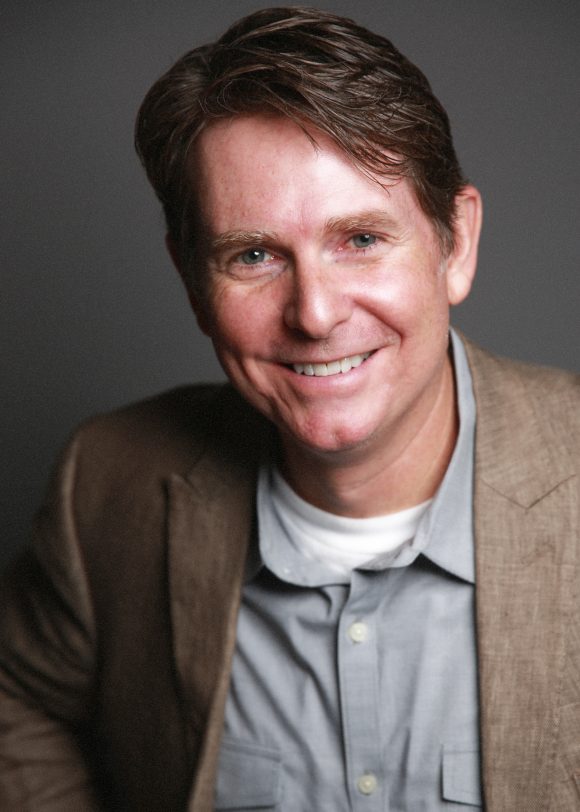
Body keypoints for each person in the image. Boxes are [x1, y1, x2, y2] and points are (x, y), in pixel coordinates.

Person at [1, 6, 578, 810]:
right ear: (193, 280)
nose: (314, 313)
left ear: (457, 242)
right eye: (255, 254)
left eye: (361, 240)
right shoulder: (107, 484)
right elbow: (18, 701)